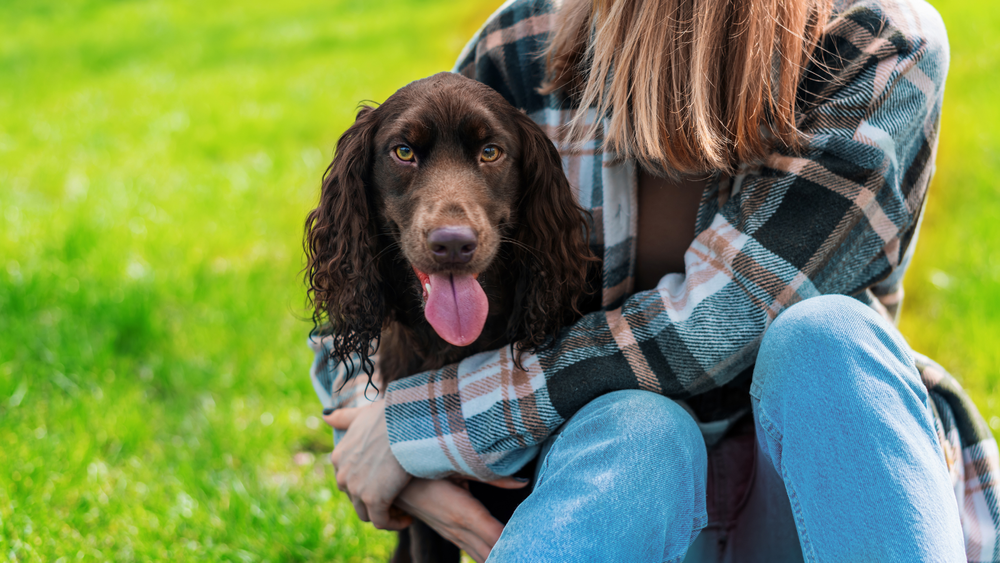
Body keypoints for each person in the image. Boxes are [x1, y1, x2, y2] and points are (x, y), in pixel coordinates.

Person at [313, 0, 1000, 560]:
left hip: (817, 514)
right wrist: (380, 441)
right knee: (635, 423)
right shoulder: (525, 43)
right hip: (620, 509)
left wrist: (426, 426)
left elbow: (715, 325)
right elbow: (371, 276)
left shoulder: (876, 42)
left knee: (828, 335)